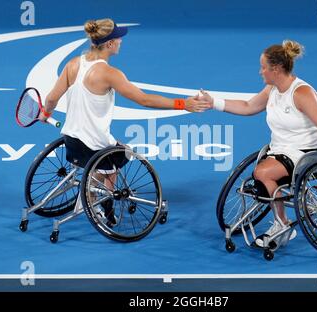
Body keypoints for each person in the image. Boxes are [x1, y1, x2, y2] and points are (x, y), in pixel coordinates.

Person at [39, 18, 209, 225]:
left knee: (115, 151)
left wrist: (46, 114)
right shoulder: (110, 74)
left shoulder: (73, 64)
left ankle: (92, 192)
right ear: (109, 44)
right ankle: (102, 201)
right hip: (95, 145)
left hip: (71, 139)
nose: (121, 41)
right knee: (122, 153)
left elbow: (51, 99)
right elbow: (144, 100)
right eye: (118, 38)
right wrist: (184, 104)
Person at [199, 40, 317, 247]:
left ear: (276, 69)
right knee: (261, 175)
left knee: (263, 173)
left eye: (263, 67)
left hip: (305, 154)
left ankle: (282, 224)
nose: (260, 72)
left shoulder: (302, 93)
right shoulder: (271, 89)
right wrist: (214, 103)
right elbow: (247, 106)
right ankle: (279, 214)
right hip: (279, 151)